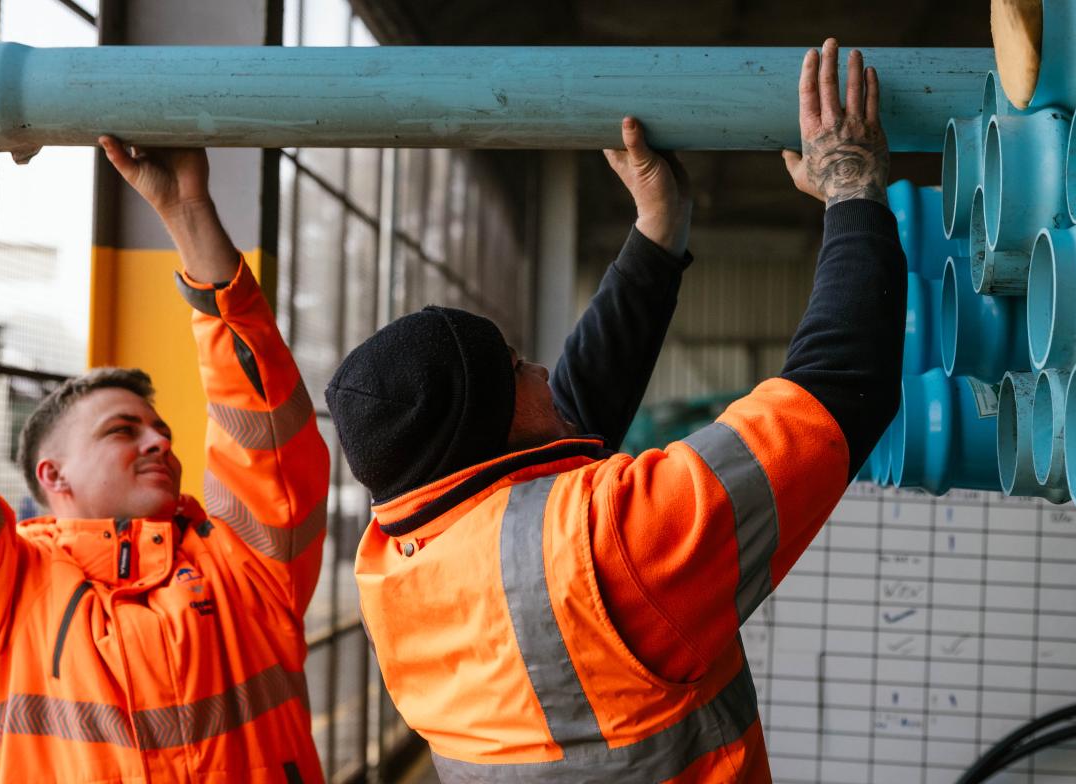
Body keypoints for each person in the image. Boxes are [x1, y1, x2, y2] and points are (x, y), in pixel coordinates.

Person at [328, 39, 903, 781]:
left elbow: (558, 432)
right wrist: (850, 182)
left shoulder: (394, 574)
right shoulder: (611, 549)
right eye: (516, 367)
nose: (541, 366)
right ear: (489, 429)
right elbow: (841, 391)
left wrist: (657, 230)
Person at [0, 138, 329, 782]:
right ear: (54, 475)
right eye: (122, 431)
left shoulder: (246, 564)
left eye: (160, 429)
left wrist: (189, 209)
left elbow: (267, 425)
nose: (160, 441)